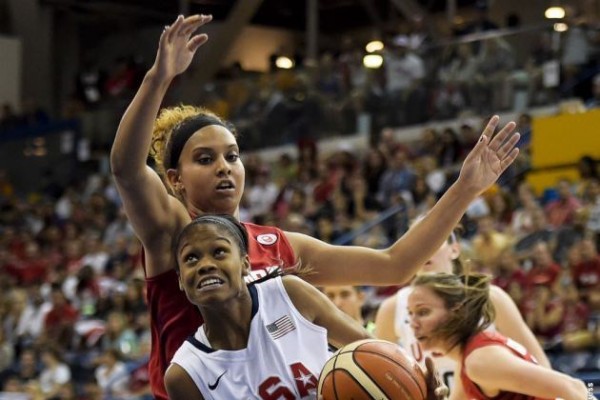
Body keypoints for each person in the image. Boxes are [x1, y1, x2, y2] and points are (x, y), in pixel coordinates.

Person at [110, 14, 520, 399]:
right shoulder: (173, 232)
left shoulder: (278, 245)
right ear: (174, 179)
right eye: (205, 159)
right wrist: (158, 78)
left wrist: (466, 188)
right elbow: (127, 168)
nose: (224, 168)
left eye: (232, 156)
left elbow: (395, 264)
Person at [164, 215, 437, 399]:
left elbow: (372, 350)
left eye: (220, 251)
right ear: (179, 280)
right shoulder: (186, 373)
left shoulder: (288, 294)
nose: (206, 264)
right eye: (191, 258)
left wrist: (414, 386)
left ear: (246, 264)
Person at [374, 226, 550, 391]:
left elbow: (540, 363)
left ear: (455, 249)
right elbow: (379, 377)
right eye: (416, 243)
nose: (424, 249)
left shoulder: (488, 297)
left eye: (433, 240)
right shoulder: (392, 306)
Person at [407, 272, 590, 400]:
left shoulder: (480, 361)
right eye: (410, 314)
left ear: (455, 312)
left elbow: (575, 388)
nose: (413, 323)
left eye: (423, 312)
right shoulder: (470, 359)